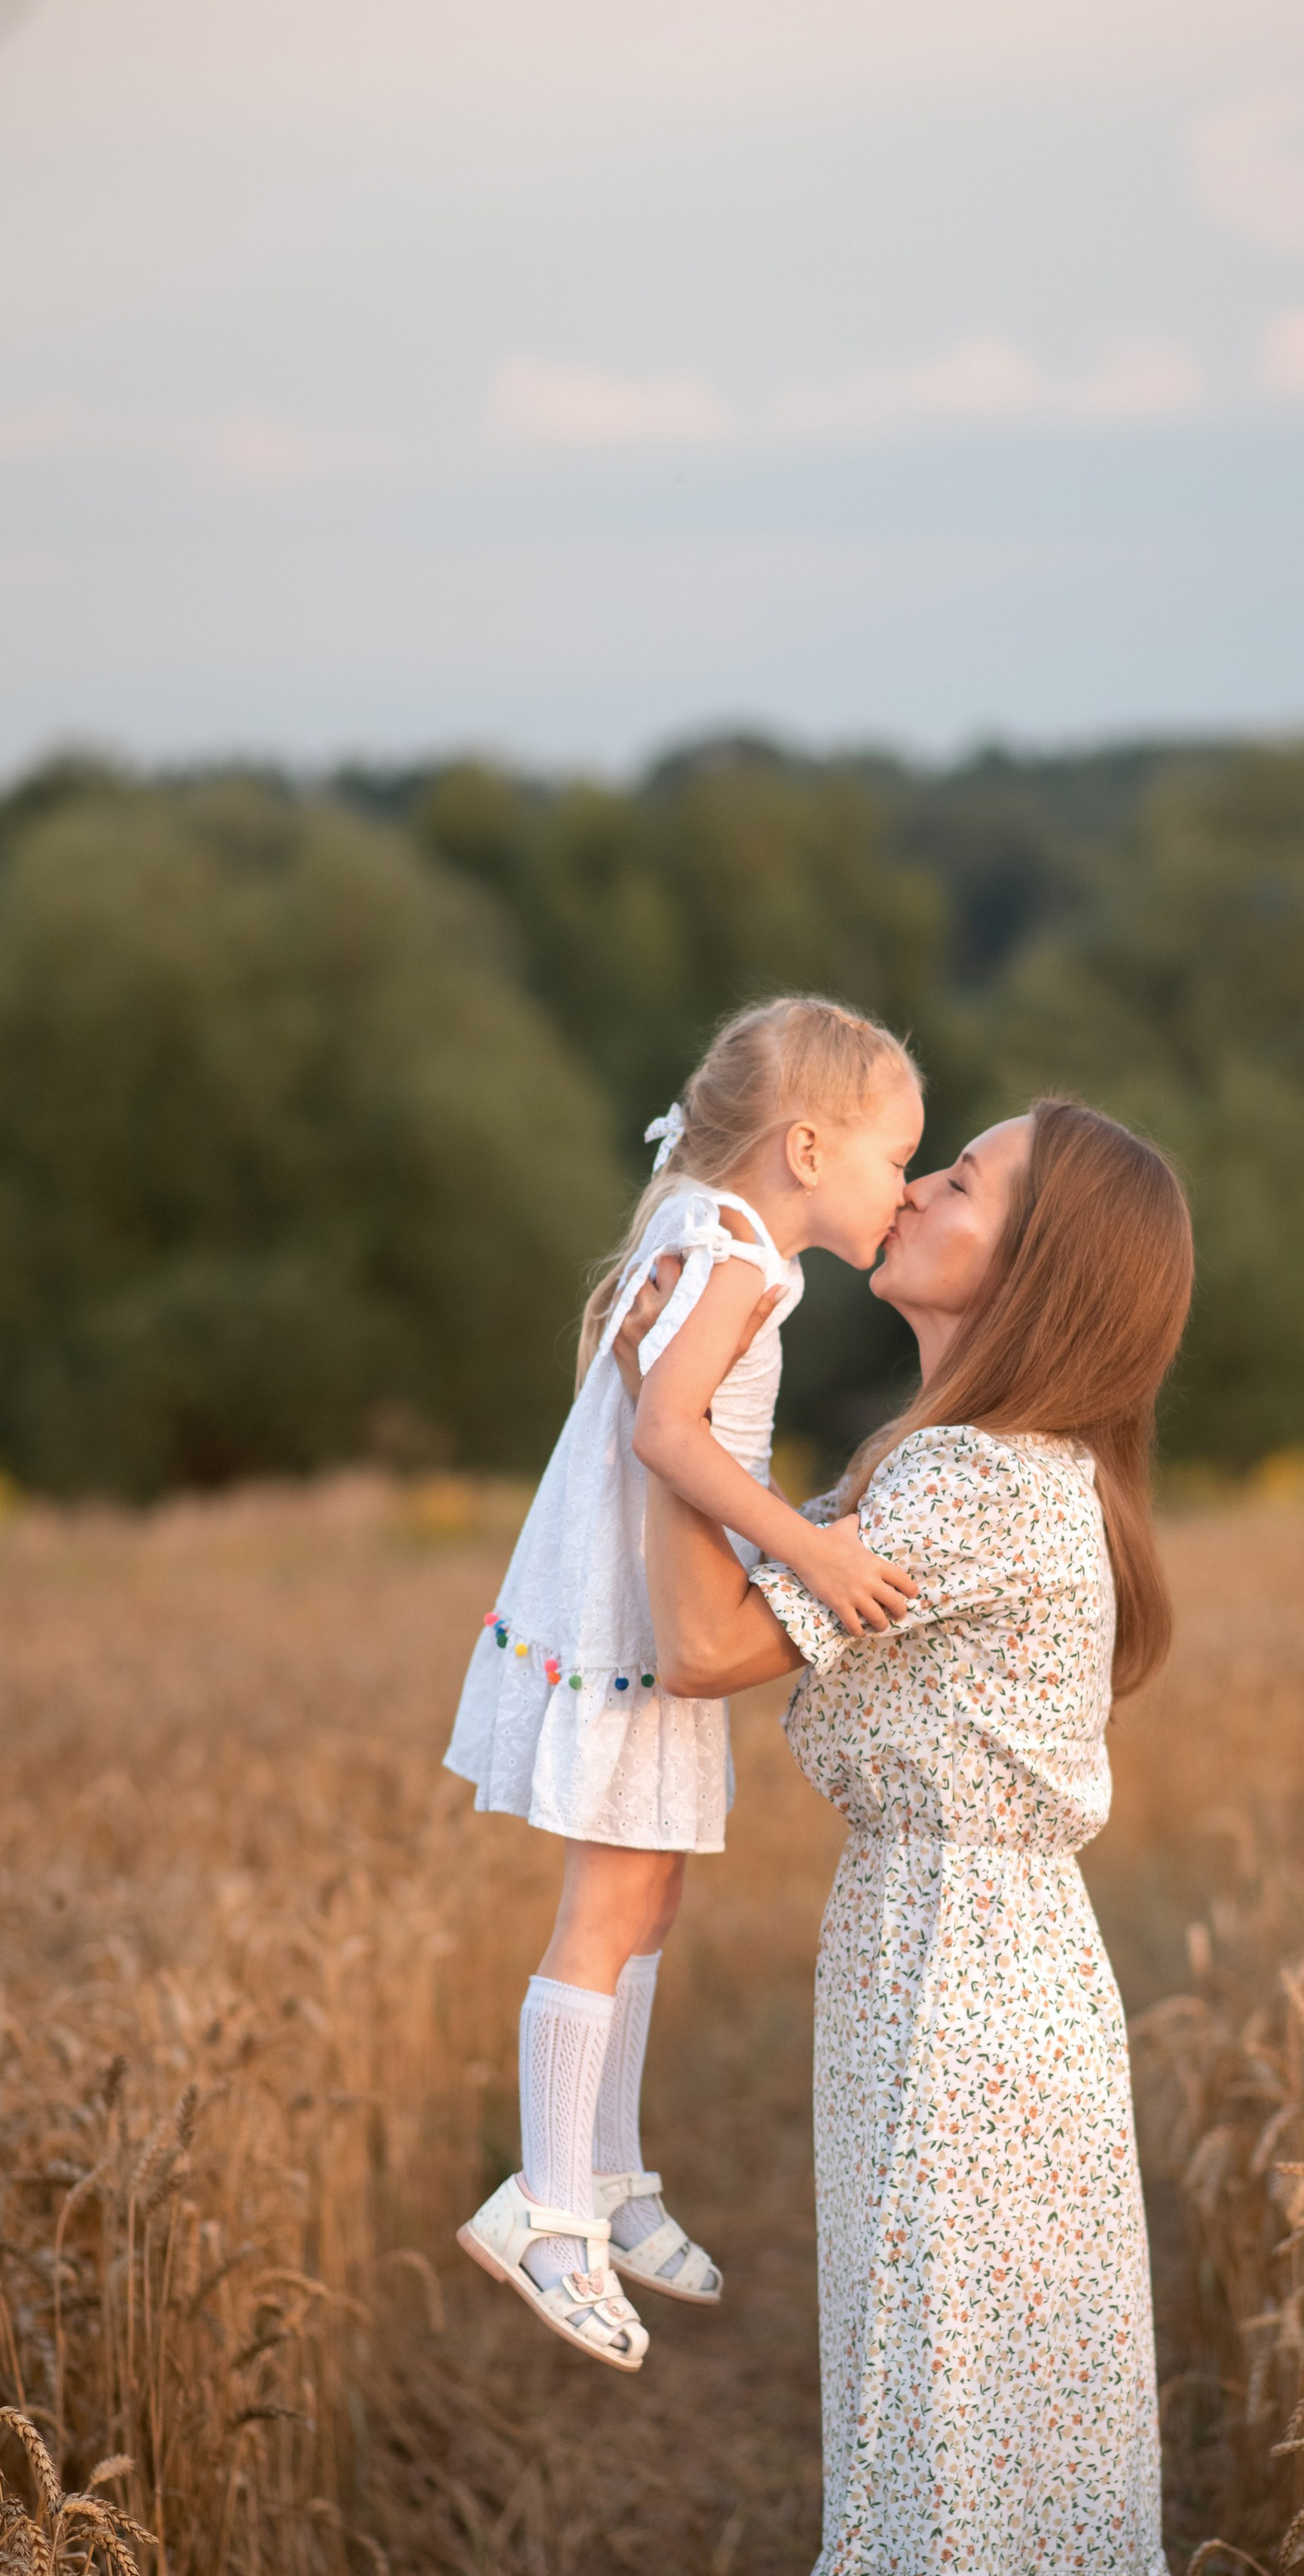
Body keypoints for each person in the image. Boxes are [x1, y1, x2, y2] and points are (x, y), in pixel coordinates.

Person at [621, 1098, 1198, 2576]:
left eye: (967, 1181)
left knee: (956, 2441)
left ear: (1032, 1266)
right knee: (995, 2437)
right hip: (967, 1964)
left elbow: (697, 1639)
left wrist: (661, 1385)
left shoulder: (966, 1481)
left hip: (960, 1987)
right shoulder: (992, 1472)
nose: (922, 1180)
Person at [445, 996, 924, 2373]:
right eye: (899, 1159)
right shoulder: (735, 1259)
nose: (905, 1185)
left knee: (649, 1885)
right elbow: (670, 1435)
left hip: (636, 1610)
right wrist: (810, 1550)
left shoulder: (705, 1238)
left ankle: (606, 2173)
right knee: (607, 1905)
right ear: (808, 1146)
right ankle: (542, 2209)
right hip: (627, 1618)